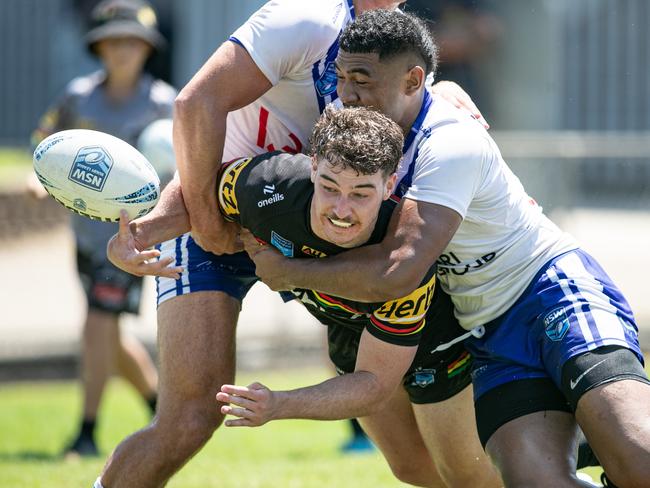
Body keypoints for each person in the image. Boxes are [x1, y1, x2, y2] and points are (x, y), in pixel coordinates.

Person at [245, 9, 650, 487]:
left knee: (635, 456)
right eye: (340, 77)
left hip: (547, 288)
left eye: (362, 79)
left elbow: (396, 271)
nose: (345, 93)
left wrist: (289, 273)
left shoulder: (450, 140)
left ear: (413, 80)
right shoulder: (357, 123)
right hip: (487, 330)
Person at [92, 1, 485, 486]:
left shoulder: (387, 47)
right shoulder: (306, 17)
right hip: (235, 204)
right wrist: (168, 229)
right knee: (191, 416)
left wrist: (439, 91)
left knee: (419, 467)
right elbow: (194, 104)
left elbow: (411, 96)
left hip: (316, 218)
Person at [30, 0, 176, 457]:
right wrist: (38, 180)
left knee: (96, 325)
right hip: (86, 239)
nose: (122, 50)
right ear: (98, 46)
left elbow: (182, 171)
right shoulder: (78, 97)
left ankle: (87, 433)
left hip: (130, 243)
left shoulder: (164, 103)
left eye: (132, 41)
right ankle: (163, 411)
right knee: (108, 338)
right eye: (113, 41)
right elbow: (44, 146)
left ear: (147, 48)